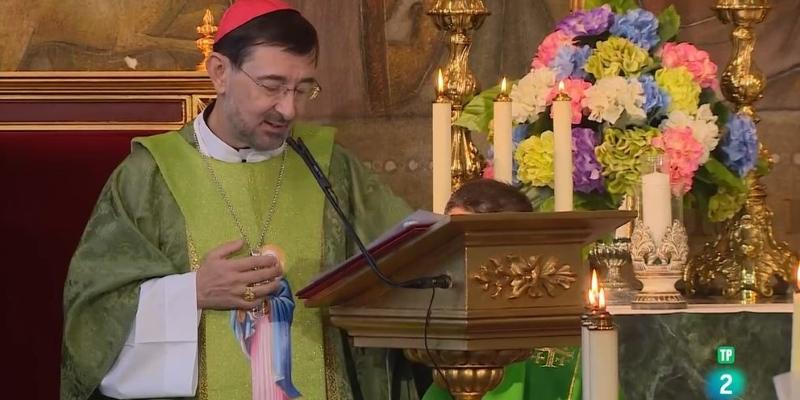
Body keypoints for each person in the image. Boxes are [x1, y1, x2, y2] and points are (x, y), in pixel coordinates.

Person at [60, 1, 419, 399]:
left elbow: (412, 260)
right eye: (272, 86)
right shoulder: (150, 177)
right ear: (220, 73)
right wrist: (190, 292)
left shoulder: (332, 167)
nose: (289, 109)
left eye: (303, 89)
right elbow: (91, 315)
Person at [425, 178, 583, 400]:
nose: (458, 260)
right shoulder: (438, 331)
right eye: (450, 241)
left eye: (468, 244)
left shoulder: (566, 351)